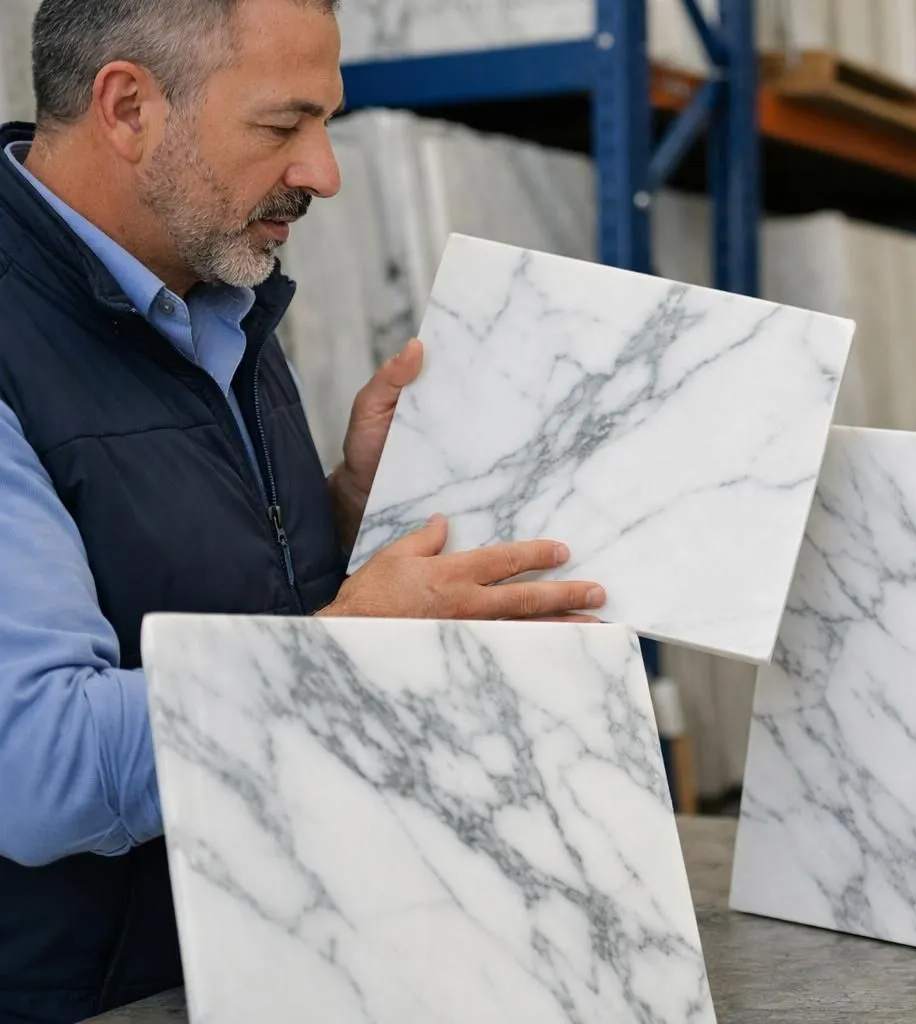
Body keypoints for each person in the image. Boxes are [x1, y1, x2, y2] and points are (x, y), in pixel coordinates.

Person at [0, 1, 608, 1020]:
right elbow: (38, 768)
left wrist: (349, 503)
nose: (324, 172)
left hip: (274, 962)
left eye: (327, 122)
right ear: (128, 108)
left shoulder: (210, 285)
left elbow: (212, 591)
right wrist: (347, 646)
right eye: (284, 126)